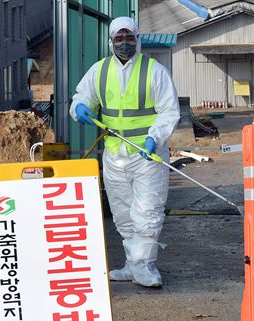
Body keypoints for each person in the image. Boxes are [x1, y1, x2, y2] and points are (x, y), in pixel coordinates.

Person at [69, 17, 180, 287]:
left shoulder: (154, 71)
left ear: (137, 39)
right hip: (114, 155)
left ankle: (145, 266)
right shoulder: (100, 70)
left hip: (146, 156)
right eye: (119, 38)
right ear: (111, 41)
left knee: (147, 211)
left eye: (129, 38)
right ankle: (132, 264)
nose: (124, 43)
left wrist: (154, 138)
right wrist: (80, 107)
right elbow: (81, 97)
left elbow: (169, 111)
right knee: (122, 214)